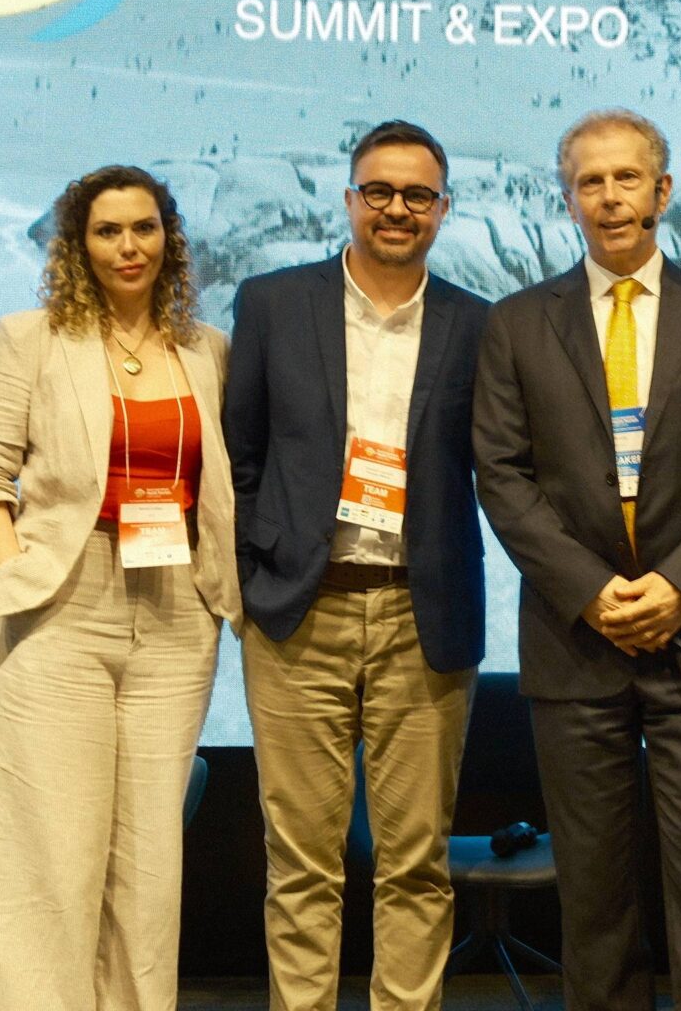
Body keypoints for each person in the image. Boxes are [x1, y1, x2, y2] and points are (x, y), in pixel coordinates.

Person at [473, 108, 681, 1011]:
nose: (608, 196)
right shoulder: (517, 323)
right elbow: (502, 476)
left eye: (626, 177)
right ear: (567, 198)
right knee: (593, 892)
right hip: (575, 641)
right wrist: (593, 592)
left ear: (662, 190)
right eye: (588, 181)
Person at [0, 164, 240, 1011]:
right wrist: (18, 575)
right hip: (62, 611)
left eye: (144, 228)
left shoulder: (207, 349)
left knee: (148, 866)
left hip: (178, 616)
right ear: (79, 246)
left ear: (168, 240)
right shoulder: (29, 339)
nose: (128, 246)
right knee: (53, 860)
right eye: (107, 231)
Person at [225, 121, 492, 1011]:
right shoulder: (273, 304)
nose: (396, 209)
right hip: (301, 614)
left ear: (443, 210)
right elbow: (240, 456)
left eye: (417, 195)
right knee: (302, 861)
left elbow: (503, 468)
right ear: (349, 199)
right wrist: (252, 580)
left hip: (425, 617)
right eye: (378, 191)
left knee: (416, 862)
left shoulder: (477, 324)